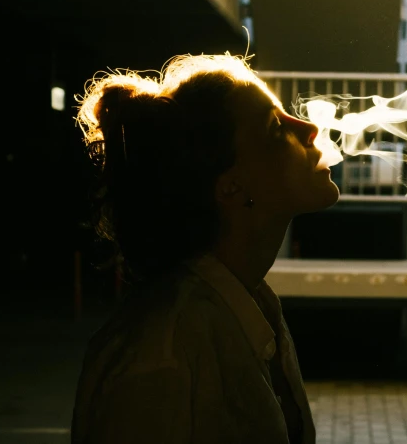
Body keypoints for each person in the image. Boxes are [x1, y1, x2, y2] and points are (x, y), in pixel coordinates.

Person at [70, 53, 340, 444]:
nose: (310, 128)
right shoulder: (163, 352)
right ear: (231, 186)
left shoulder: (252, 305)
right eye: (275, 128)